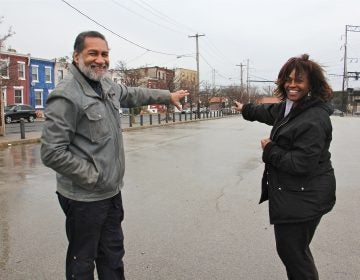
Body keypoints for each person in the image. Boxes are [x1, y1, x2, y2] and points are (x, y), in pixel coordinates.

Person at [40, 30, 188, 280]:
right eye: (93, 53)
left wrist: (167, 96)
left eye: (105, 54)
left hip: (110, 193)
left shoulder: (106, 84)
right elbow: (52, 152)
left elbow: (132, 94)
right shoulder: (66, 95)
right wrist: (94, 176)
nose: (100, 60)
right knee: (82, 262)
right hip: (84, 198)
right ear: (76, 56)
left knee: (112, 254)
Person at [234, 54, 336, 280]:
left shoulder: (314, 118)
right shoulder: (292, 108)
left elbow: (301, 163)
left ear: (311, 84)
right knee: (293, 252)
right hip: (297, 194)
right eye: (288, 79)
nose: (292, 84)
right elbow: (267, 112)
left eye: (299, 80)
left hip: (304, 197)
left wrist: (270, 149)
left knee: (294, 255)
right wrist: (245, 109)